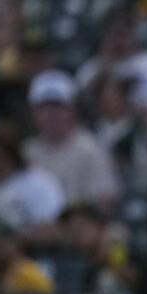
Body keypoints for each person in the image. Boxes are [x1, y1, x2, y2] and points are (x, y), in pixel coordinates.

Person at [22, 70, 120, 211]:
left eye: (58, 106)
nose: (51, 114)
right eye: (44, 107)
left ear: (73, 109)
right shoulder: (27, 151)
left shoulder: (91, 149)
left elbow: (105, 201)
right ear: (33, 112)